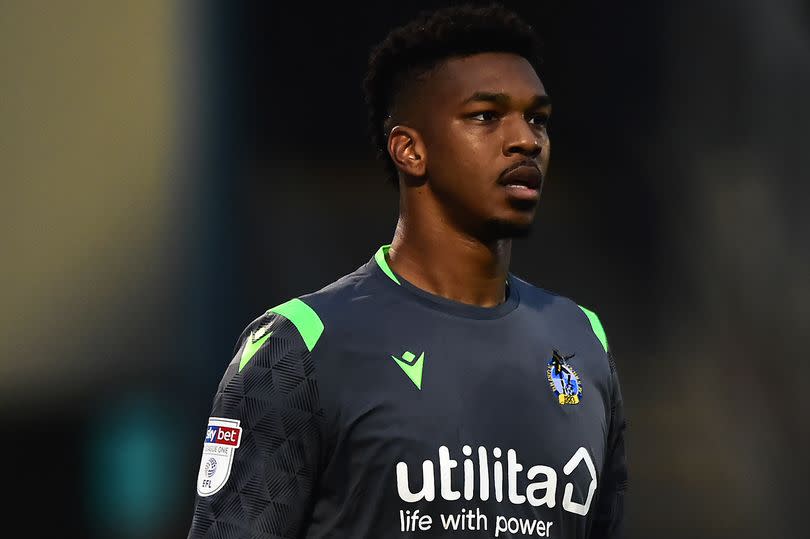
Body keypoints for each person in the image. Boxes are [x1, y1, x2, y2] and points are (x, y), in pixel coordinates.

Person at [187, 3, 627, 538]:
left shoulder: (583, 341)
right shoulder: (299, 346)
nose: (526, 140)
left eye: (537, 119)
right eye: (486, 117)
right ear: (410, 150)